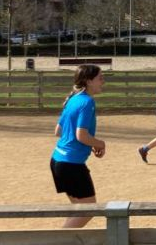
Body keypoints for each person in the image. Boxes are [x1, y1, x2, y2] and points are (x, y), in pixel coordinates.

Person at [50, 64, 107, 228]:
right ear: (89, 81)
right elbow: (81, 135)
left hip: (57, 161)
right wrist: (100, 143)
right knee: (88, 210)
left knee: (80, 210)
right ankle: (58, 240)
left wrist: (89, 144)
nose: (103, 81)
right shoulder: (87, 102)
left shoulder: (73, 99)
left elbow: (58, 131)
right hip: (70, 165)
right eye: (100, 78)